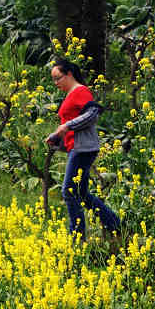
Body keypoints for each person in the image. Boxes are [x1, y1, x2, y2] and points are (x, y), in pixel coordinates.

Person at [46, 58, 120, 240]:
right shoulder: (71, 94)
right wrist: (57, 137)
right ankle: (114, 224)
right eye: (53, 80)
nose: (56, 83)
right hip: (77, 148)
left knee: (69, 191)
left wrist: (66, 126)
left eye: (58, 78)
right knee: (81, 193)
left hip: (83, 149)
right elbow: (72, 125)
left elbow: (93, 114)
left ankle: (77, 238)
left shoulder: (81, 91)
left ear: (69, 74)